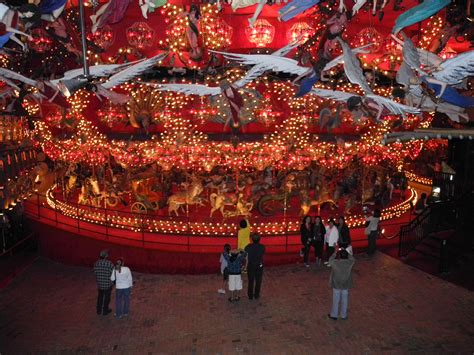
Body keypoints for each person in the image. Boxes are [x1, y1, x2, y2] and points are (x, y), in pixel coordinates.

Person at [327, 248, 355, 320]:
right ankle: (343, 315)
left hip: (337, 283)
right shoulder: (350, 262)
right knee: (345, 299)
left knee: (335, 299)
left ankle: (334, 315)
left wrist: (335, 253)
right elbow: (352, 258)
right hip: (346, 283)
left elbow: (330, 260)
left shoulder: (336, 262)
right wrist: (347, 252)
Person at [93, 250, 114, 316]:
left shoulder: (96, 263)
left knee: (100, 297)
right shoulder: (109, 263)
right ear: (106, 256)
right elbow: (113, 273)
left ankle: (99, 310)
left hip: (100, 284)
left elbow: (95, 273)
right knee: (107, 298)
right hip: (107, 284)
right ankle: (105, 310)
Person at [245, 234, 265, 300]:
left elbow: (246, 257)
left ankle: (250, 295)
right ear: (259, 240)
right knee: (258, 281)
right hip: (259, 265)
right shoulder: (262, 247)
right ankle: (256, 295)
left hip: (251, 266)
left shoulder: (248, 247)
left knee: (251, 281)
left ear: (251, 240)